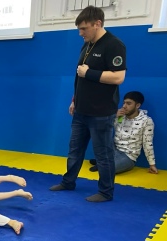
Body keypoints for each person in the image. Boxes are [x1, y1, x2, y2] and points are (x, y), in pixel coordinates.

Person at [49, 5, 126, 202]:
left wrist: (89, 73)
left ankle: (106, 192)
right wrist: (74, 99)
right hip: (81, 110)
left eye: (84, 28)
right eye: (79, 29)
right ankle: (68, 182)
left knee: (103, 154)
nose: (80, 33)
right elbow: (80, 78)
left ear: (97, 24)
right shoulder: (87, 45)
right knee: (74, 150)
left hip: (101, 112)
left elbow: (118, 77)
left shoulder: (114, 45)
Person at [89, 91, 157, 175]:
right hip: (113, 150)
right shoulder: (120, 116)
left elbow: (147, 143)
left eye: (128, 103)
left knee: (109, 170)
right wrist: (113, 116)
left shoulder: (146, 121)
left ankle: (102, 163)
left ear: (137, 105)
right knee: (101, 135)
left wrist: (152, 164)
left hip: (128, 156)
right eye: (124, 103)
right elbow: (101, 127)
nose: (124, 106)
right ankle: (104, 162)